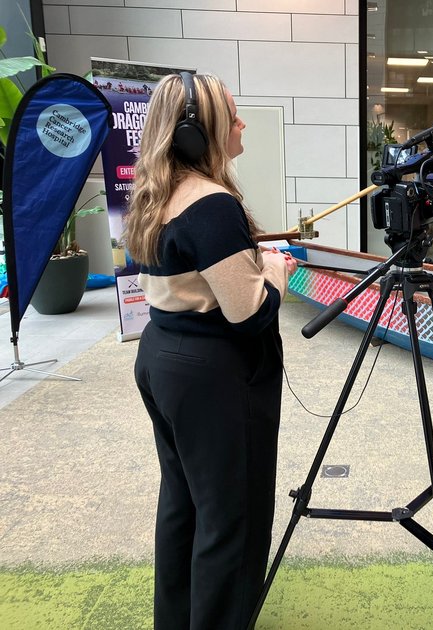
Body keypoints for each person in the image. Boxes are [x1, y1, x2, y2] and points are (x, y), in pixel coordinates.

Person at [126, 72, 297, 629]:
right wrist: (273, 269)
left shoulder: (157, 194)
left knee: (184, 505)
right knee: (232, 521)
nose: (242, 122)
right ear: (199, 134)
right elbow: (250, 314)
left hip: (162, 358)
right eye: (233, 114)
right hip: (212, 376)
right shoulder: (213, 204)